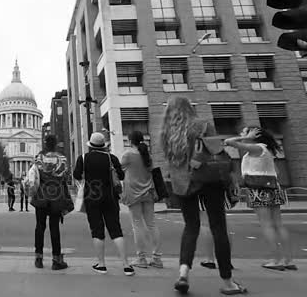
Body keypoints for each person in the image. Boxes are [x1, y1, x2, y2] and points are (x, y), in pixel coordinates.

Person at [161, 96, 246, 295]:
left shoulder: (165, 132)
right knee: (218, 227)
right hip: (208, 179)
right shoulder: (203, 125)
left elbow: (171, 161)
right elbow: (217, 151)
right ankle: (228, 282)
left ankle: (183, 273)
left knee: (191, 227)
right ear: (190, 108)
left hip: (182, 183)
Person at [224, 126, 296, 271]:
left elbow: (228, 141)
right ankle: (288, 259)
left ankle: (276, 260)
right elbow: (277, 170)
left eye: (244, 131)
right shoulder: (267, 150)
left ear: (254, 134)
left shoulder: (256, 148)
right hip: (273, 187)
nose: (241, 134)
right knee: (278, 224)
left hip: (258, 189)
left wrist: (245, 138)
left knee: (266, 225)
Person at [73, 132, 134, 276]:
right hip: (110, 197)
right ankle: (126, 265)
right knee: (115, 229)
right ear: (103, 146)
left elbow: (76, 175)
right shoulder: (111, 158)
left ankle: (101, 264)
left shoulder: (83, 158)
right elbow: (121, 176)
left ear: (91, 145)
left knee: (97, 230)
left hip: (92, 197)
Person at [121, 130, 162, 269]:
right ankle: (157, 258)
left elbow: (120, 170)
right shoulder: (147, 155)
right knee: (151, 224)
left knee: (137, 224)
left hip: (133, 192)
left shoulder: (128, 155)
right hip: (149, 191)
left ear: (130, 140)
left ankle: (141, 258)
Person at [31, 135, 72, 271]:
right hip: (56, 195)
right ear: (55, 144)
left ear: (45, 143)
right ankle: (56, 260)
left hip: (41, 195)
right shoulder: (62, 159)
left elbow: (36, 175)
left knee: (39, 226)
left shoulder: (38, 158)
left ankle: (38, 258)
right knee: (54, 228)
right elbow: (65, 176)